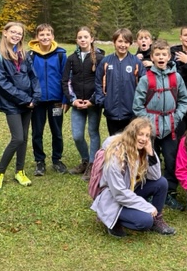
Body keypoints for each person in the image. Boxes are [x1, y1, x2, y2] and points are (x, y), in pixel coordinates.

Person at [90, 117, 176, 238]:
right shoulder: (115, 154)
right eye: (140, 134)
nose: (144, 139)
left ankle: (157, 219)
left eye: (147, 136)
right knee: (145, 222)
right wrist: (147, 206)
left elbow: (156, 176)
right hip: (113, 198)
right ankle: (111, 220)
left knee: (161, 183)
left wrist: (150, 152)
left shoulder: (140, 149)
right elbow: (119, 193)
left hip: (130, 190)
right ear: (132, 133)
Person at [133, 39, 187, 210]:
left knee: (172, 160)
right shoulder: (146, 79)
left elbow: (184, 100)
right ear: (152, 57)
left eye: (164, 54)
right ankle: (148, 191)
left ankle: (170, 192)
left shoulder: (176, 77)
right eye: (157, 54)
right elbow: (137, 105)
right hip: (150, 130)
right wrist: (148, 123)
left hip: (171, 127)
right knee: (148, 160)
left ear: (169, 56)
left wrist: (177, 116)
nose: (161, 57)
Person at [0, 22, 40, 190]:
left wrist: (35, 96)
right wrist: (25, 99)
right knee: (17, 137)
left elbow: (33, 77)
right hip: (12, 104)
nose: (16, 36)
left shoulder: (24, 54)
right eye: (13, 32)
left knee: (24, 138)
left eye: (19, 33)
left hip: (29, 103)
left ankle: (20, 170)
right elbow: (1, 83)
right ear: (5, 33)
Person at [62, 26, 105, 180]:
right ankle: (85, 160)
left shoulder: (99, 59)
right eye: (80, 37)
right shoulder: (72, 58)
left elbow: (102, 82)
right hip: (77, 104)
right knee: (77, 135)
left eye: (86, 37)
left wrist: (92, 101)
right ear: (77, 40)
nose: (83, 40)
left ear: (91, 39)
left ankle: (93, 166)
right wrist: (73, 100)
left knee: (93, 133)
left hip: (92, 104)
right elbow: (65, 81)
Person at [28, 23, 68, 176]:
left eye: (48, 34)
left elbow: (65, 78)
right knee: (37, 131)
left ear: (53, 36)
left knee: (56, 131)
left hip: (56, 99)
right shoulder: (31, 55)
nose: (45, 37)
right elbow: (27, 77)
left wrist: (65, 99)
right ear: (37, 37)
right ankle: (40, 161)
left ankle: (57, 159)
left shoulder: (60, 55)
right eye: (41, 35)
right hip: (37, 100)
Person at [94, 28, 146, 136]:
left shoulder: (136, 62)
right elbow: (98, 81)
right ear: (114, 42)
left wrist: (139, 103)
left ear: (131, 44)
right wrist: (102, 101)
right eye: (120, 41)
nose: (123, 45)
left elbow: (144, 84)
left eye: (126, 42)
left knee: (130, 141)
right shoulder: (106, 61)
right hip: (111, 111)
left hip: (131, 111)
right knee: (114, 141)